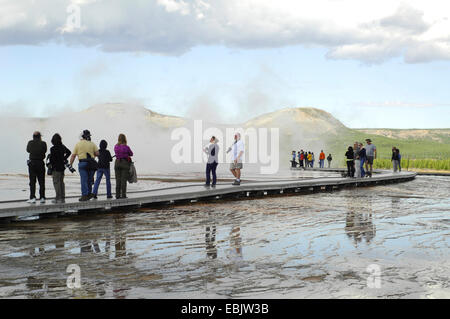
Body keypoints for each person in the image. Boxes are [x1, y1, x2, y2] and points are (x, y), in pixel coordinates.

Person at [69, 130, 99, 201]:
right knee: (89, 180)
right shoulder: (92, 144)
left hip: (82, 163)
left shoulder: (78, 144)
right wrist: (92, 156)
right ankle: (89, 193)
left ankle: (84, 195)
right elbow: (97, 153)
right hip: (91, 163)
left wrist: (71, 165)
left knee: (84, 180)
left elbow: (73, 156)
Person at [49, 133, 71, 203]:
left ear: (53, 140)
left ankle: (58, 198)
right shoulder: (62, 147)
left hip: (56, 168)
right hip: (62, 167)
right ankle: (62, 197)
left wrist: (50, 166)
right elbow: (69, 152)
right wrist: (64, 158)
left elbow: (52, 160)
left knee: (56, 182)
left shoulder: (52, 149)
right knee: (61, 182)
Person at [26, 131, 47, 204]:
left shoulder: (30, 142)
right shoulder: (43, 143)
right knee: (41, 181)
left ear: (33, 136)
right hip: (40, 163)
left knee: (32, 181)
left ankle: (32, 197)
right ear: (40, 136)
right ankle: (42, 197)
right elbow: (45, 151)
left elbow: (28, 150)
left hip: (32, 163)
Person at [114, 134, 134, 199]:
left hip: (117, 162)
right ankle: (123, 195)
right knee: (123, 180)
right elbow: (131, 154)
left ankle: (117, 195)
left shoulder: (116, 146)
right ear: (124, 139)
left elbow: (116, 152)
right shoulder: (126, 147)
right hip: (124, 163)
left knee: (118, 180)